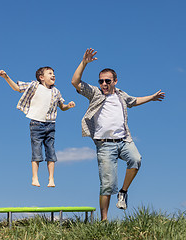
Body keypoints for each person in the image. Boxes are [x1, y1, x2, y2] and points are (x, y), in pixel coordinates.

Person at [71, 48, 165, 220]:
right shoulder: (95, 93)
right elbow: (75, 82)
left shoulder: (121, 95)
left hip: (123, 140)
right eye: (101, 81)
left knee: (136, 159)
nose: (104, 84)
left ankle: (123, 192)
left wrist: (151, 97)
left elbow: (134, 101)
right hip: (104, 144)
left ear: (115, 81)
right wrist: (84, 63)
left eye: (107, 81)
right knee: (107, 185)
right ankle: (104, 221)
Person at [0, 67, 75, 188]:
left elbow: (62, 107)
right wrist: (6, 77)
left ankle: (51, 178)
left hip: (51, 124)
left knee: (51, 151)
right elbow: (17, 88)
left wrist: (68, 106)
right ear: (41, 77)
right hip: (36, 124)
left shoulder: (56, 92)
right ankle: (35, 177)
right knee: (36, 150)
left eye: (54, 73)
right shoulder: (34, 86)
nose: (53, 75)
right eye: (50, 73)